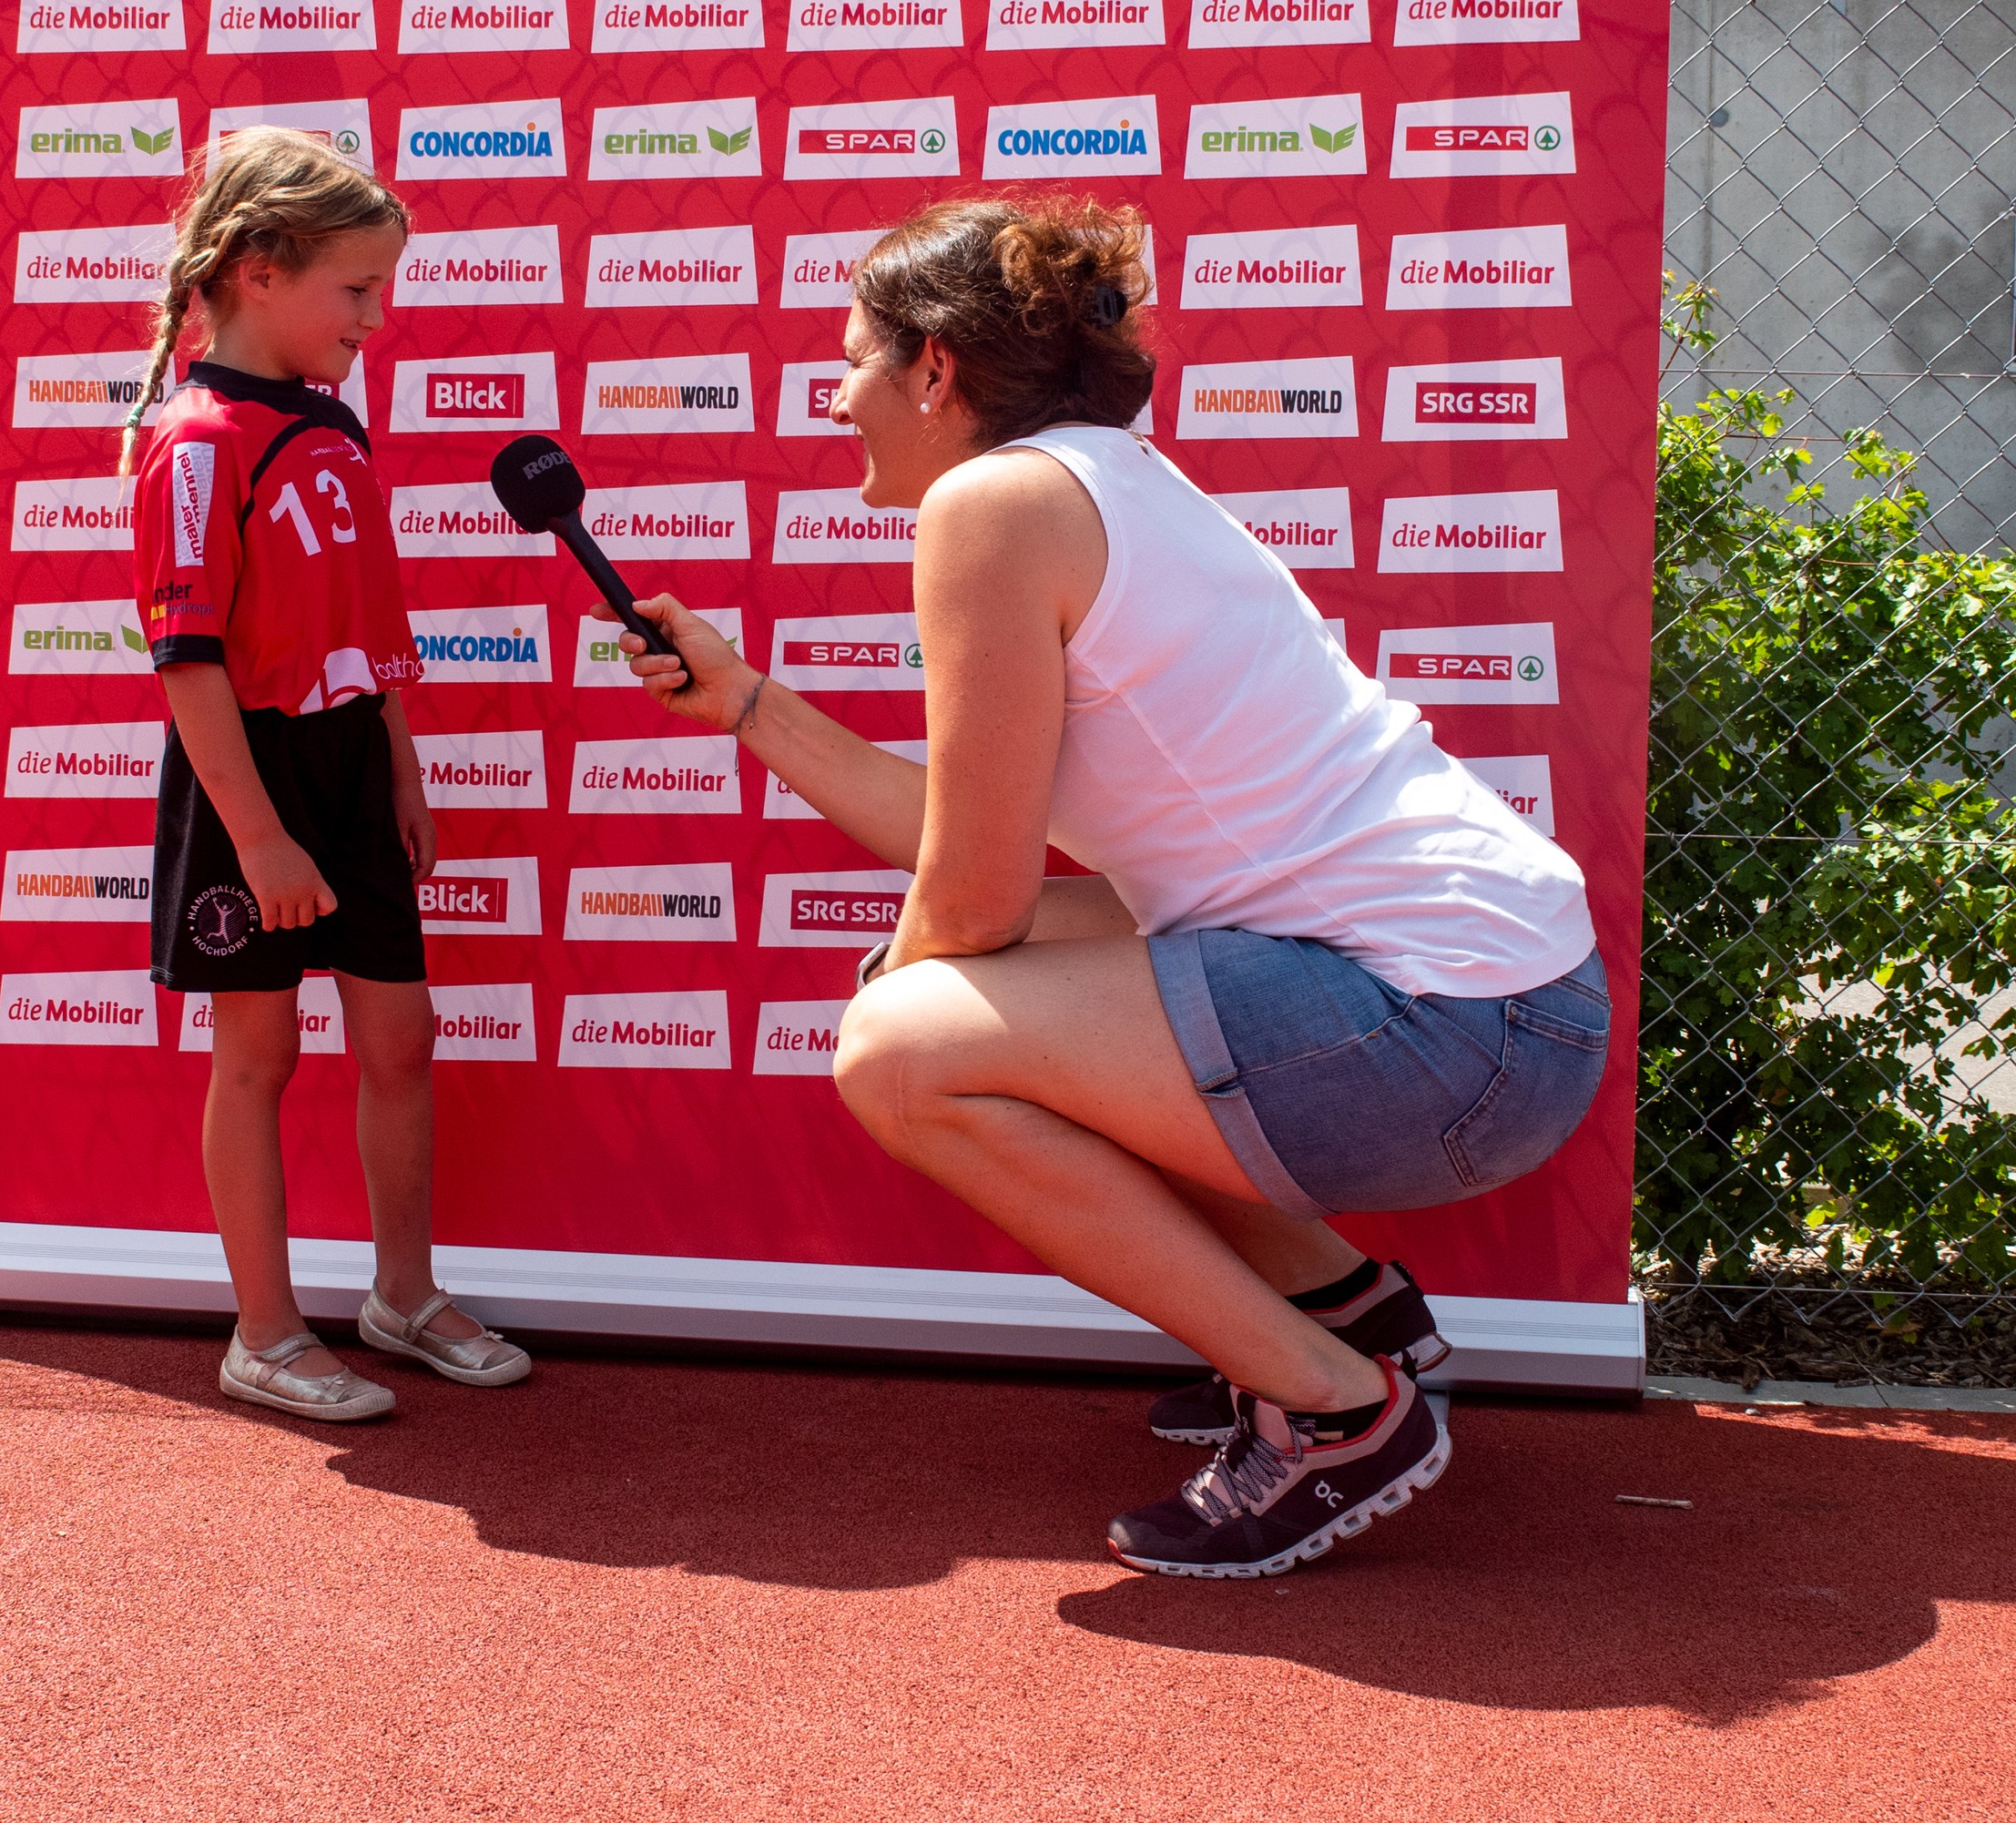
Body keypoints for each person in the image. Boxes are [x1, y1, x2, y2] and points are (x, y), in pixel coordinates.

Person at [598, 195, 1608, 1576]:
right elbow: (970, 844)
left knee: (904, 1052)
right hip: (1514, 1009)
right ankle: (1347, 1311)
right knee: (973, 1006)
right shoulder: (1101, 473)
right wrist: (748, 703)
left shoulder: (992, 502)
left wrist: (914, 981)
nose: (837, 400)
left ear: (934, 370)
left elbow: (977, 895)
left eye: (851, 361)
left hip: (1447, 1032)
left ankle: (1333, 1410)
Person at [120, 127, 530, 1421]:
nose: (374, 319)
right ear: (257, 267)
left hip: (352, 761)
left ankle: (400, 1295)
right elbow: (188, 663)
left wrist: (400, 764)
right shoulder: (194, 439)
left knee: (400, 1035)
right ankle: (264, 1328)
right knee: (258, 1052)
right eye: (355, 292)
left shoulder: (335, 419)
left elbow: (373, 613)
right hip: (250, 775)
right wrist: (259, 838)